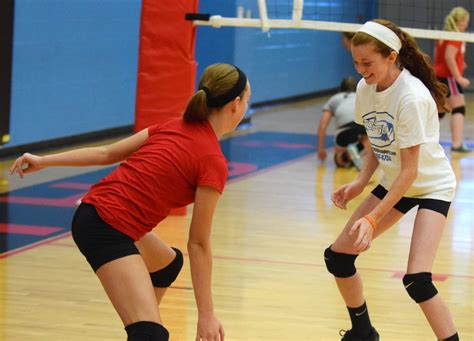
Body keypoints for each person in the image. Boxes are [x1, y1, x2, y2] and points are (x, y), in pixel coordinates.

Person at [10, 63, 251, 341]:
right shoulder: (212, 160)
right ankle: (144, 330)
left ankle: (142, 327)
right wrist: (206, 314)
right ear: (235, 104)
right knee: (150, 335)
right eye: (247, 100)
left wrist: (44, 161)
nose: (246, 105)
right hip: (106, 227)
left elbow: (105, 153)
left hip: (97, 214)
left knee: (166, 265)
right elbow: (198, 242)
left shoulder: (174, 125)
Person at [325, 20, 459, 341]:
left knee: (417, 280)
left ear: (391, 56)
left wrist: (372, 218)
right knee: (338, 257)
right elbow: (375, 141)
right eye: (356, 63)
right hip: (395, 181)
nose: (360, 70)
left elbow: (410, 171)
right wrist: (360, 182)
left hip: (430, 186)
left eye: (367, 63)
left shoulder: (410, 97)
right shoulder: (364, 88)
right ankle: (363, 333)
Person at [434, 7, 471, 153]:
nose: (466, 25)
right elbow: (449, 57)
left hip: (439, 75)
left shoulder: (443, 35)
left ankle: (425, 142)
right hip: (448, 77)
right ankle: (456, 144)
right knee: (458, 108)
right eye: (465, 22)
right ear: (459, 22)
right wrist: (458, 77)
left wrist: (461, 63)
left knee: (440, 111)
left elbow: (441, 56)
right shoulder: (455, 36)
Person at [317, 76, 368, 170]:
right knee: (368, 139)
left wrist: (321, 149)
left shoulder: (334, 99)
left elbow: (322, 126)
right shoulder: (362, 95)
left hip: (344, 129)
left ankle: (345, 156)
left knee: (339, 160)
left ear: (341, 89)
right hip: (363, 126)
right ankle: (356, 152)